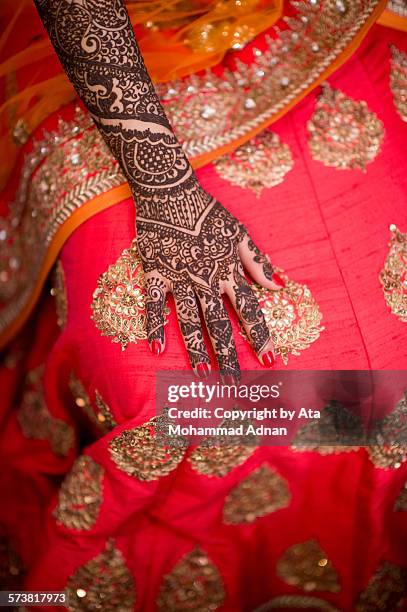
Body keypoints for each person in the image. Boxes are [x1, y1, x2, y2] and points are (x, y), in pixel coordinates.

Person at [0, 1, 406, 610]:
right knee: (157, 391)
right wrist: (168, 192)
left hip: (326, 23)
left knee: (390, 382)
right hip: (119, 68)